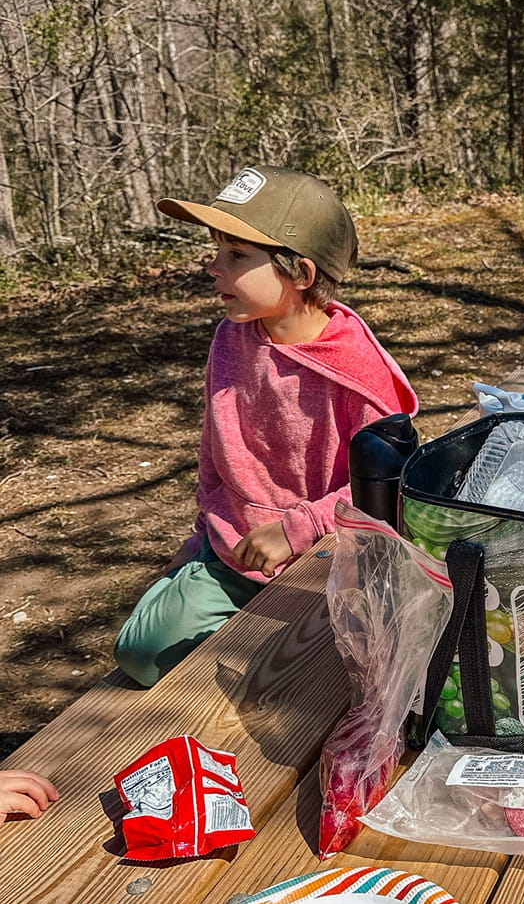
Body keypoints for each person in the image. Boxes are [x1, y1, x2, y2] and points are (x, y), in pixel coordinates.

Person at [115, 166, 417, 687]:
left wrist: (295, 530)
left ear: (299, 273)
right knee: (138, 655)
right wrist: (205, 529)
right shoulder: (231, 339)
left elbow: (392, 486)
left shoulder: (357, 371)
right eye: (216, 251)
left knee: (320, 684)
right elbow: (218, 448)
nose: (213, 268)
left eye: (235, 256)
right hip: (233, 548)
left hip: (326, 563)